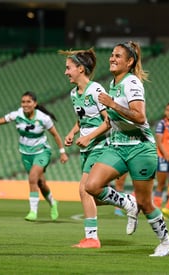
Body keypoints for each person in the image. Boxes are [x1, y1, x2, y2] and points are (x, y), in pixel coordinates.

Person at [84, 41, 169, 257]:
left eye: (117, 56)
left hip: (140, 148)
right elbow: (112, 121)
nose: (112, 58)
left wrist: (112, 104)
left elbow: (140, 116)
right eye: (112, 55)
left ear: (130, 61)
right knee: (92, 186)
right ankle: (127, 201)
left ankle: (166, 242)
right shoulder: (115, 83)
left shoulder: (131, 82)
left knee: (145, 202)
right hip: (117, 145)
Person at [0, 91, 68, 221]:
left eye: (28, 102)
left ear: (35, 103)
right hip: (26, 153)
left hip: (41, 151)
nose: (25, 104)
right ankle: (53, 202)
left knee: (33, 177)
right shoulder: (17, 115)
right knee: (40, 182)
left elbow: (55, 135)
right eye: (23, 102)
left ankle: (33, 212)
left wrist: (62, 152)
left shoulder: (43, 118)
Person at [59, 48, 111, 249]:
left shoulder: (96, 90)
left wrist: (89, 137)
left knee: (84, 190)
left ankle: (92, 238)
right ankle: (127, 202)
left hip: (100, 145)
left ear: (80, 69)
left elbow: (108, 121)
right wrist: (73, 132)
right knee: (92, 193)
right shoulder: (74, 94)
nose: (66, 72)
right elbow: (83, 119)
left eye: (68, 68)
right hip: (86, 148)